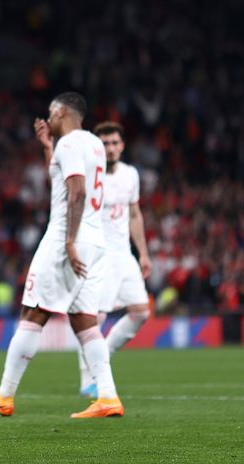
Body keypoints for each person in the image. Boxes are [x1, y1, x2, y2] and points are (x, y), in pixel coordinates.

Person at [0, 92, 124, 419]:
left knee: (33, 312)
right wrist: (47, 148)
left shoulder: (69, 145)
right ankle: (108, 397)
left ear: (64, 112)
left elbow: (76, 190)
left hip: (66, 238)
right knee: (85, 322)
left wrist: (68, 240)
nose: (48, 118)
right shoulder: (93, 144)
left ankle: (4, 394)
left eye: (52, 113)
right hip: (95, 240)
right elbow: (64, 181)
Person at [77, 121, 151, 397]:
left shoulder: (131, 174)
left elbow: (134, 214)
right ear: (97, 146)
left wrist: (142, 252)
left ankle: (102, 354)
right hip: (98, 253)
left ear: (122, 145)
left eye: (114, 143)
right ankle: (88, 380)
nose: (110, 148)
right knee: (95, 317)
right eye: (105, 144)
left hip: (124, 254)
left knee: (141, 311)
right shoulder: (87, 175)